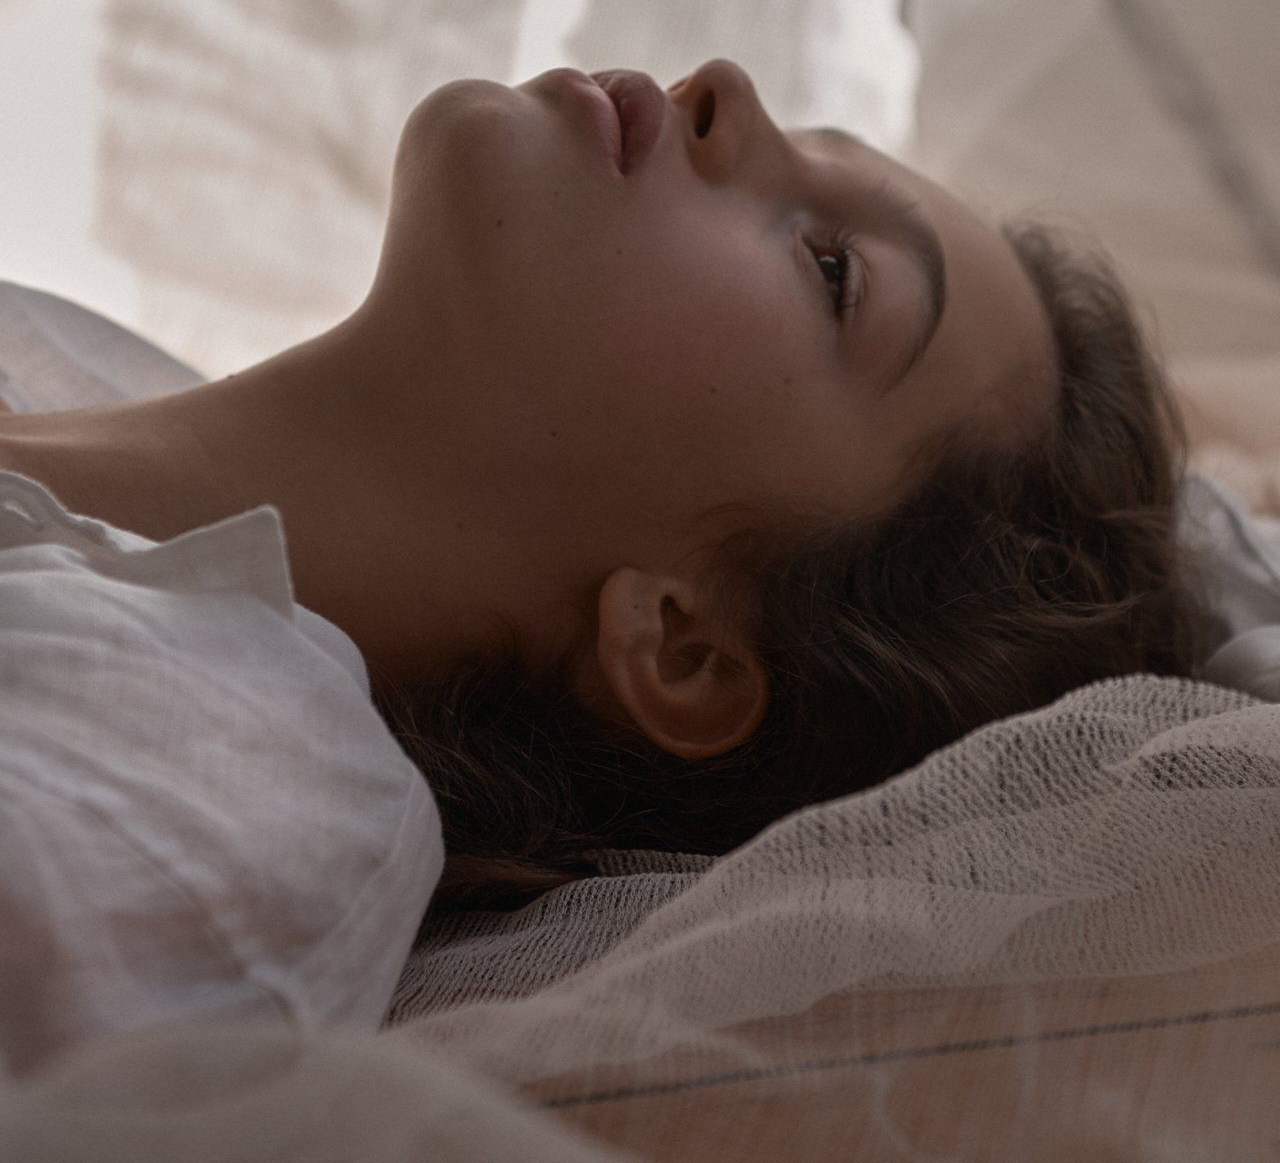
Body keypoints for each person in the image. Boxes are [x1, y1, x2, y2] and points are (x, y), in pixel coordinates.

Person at [0, 57, 1214, 914]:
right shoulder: (52, 359)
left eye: (832, 268)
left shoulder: (179, 806)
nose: (726, 88)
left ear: (684, 647)